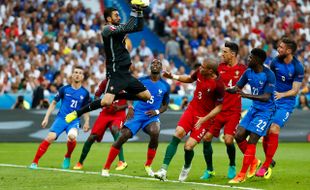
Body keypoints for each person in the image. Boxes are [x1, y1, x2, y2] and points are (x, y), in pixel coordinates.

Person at [65, 4, 151, 123]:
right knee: (106, 102)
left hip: (126, 74)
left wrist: (140, 12)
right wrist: (134, 10)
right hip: (115, 73)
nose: (119, 17)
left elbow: (139, 27)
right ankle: (77, 113)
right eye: (116, 15)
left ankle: (118, 95)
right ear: (109, 19)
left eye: (119, 15)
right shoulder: (107, 29)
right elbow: (129, 25)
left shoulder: (119, 27)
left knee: (147, 97)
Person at [154, 58, 225, 182]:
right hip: (191, 110)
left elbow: (220, 106)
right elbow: (189, 79)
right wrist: (173, 76)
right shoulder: (200, 72)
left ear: (210, 71)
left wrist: (205, 119)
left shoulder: (218, 85)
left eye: (203, 67)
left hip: (204, 118)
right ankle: (163, 170)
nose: (200, 68)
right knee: (178, 133)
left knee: (188, 147)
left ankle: (186, 167)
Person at [101, 59, 170, 177]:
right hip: (137, 113)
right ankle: (106, 167)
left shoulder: (165, 86)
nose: (155, 65)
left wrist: (157, 111)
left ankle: (148, 165)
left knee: (155, 131)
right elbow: (129, 93)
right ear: (149, 67)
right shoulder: (141, 80)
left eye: (158, 64)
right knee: (123, 136)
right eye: (153, 63)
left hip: (151, 116)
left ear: (161, 68)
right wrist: (130, 106)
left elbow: (165, 105)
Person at [256, 38, 304, 179]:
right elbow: (269, 78)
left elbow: (295, 90)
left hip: (286, 102)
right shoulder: (275, 61)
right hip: (272, 100)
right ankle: (269, 160)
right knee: (265, 133)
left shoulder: (298, 67)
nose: (278, 49)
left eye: (281, 47)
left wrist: (281, 94)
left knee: (274, 128)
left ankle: (265, 165)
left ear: (289, 51)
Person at [226, 48, 276, 184]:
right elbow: (238, 87)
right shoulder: (248, 72)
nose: (248, 59)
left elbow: (266, 97)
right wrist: (229, 89)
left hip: (266, 111)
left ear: (258, 60)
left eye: (250, 57)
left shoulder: (269, 75)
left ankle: (241, 175)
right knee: (239, 136)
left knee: (253, 139)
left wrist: (246, 95)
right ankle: (254, 162)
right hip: (254, 109)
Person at [200, 42, 247, 180]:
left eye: (225, 52)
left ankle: (232, 165)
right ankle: (209, 170)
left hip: (233, 111)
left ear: (232, 54)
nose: (222, 54)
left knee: (228, 140)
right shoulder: (218, 68)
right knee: (206, 138)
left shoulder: (243, 69)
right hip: (218, 110)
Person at [29, 66, 91, 169]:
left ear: (82, 77)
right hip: (61, 119)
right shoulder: (64, 89)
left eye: (80, 73)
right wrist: (46, 118)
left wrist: (87, 121)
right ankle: (34, 162)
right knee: (50, 137)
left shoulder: (85, 93)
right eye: (75, 72)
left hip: (74, 121)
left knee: (72, 137)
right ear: (72, 75)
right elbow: (53, 103)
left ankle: (67, 156)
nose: (77, 74)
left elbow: (86, 109)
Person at [73, 79, 128, 171]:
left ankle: (122, 161)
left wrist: (119, 107)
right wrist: (102, 103)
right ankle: (80, 162)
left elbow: (130, 103)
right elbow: (96, 96)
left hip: (119, 113)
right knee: (92, 137)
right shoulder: (105, 82)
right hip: (105, 113)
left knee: (115, 129)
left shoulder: (126, 81)